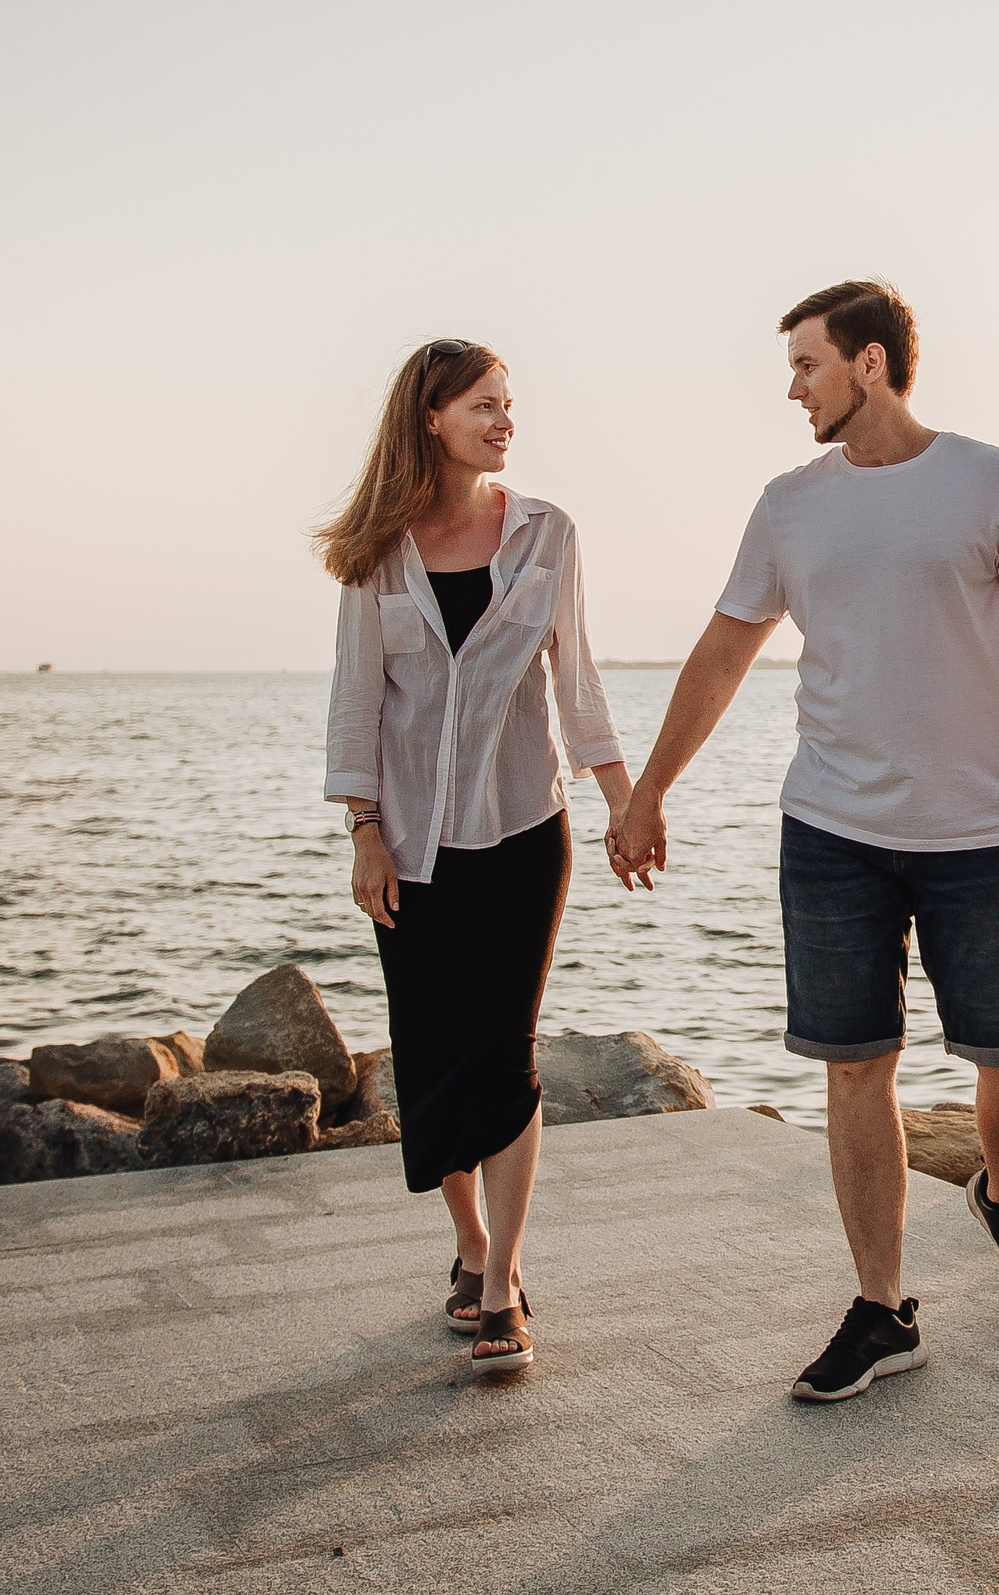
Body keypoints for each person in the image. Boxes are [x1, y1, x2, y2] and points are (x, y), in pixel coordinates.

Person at [615, 280, 999, 1403]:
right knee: (857, 1065)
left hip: (981, 829)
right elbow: (720, 654)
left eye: (807, 365)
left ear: (873, 364)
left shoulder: (992, 482)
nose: (792, 388)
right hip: (832, 828)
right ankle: (883, 1308)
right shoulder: (788, 504)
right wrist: (648, 790)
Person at [318, 338, 638, 1376]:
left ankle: (502, 1281)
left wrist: (624, 801)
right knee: (430, 1063)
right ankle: (466, 1242)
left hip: (520, 834)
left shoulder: (547, 535)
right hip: (409, 846)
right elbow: (355, 703)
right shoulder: (378, 550)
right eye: (484, 406)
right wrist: (363, 830)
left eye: (510, 406)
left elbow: (575, 678)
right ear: (431, 417)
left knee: (504, 1053)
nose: (505, 422)